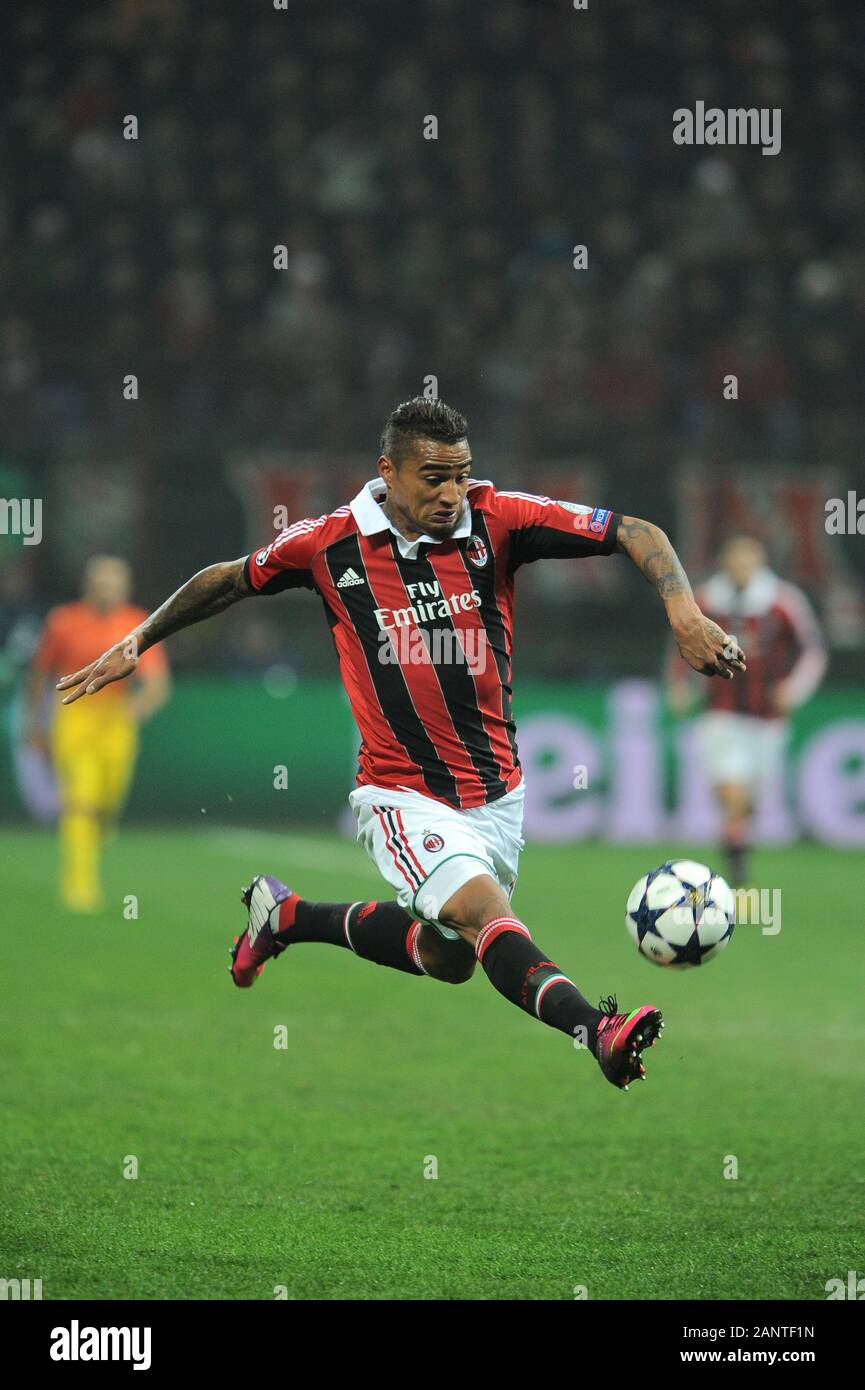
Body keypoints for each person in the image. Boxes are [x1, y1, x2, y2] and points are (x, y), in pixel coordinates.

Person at [54, 399, 746, 1089]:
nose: (450, 494)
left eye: (460, 475)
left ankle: (288, 917)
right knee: (484, 915)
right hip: (400, 792)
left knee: (450, 958)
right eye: (432, 478)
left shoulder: (498, 518)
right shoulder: (329, 544)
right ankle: (596, 1030)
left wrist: (682, 612)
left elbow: (632, 528)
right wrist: (137, 640)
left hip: (497, 794)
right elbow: (229, 580)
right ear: (388, 471)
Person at [668, 534, 826, 886]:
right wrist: (681, 685)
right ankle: (736, 868)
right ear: (725, 562)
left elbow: (812, 651)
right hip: (719, 714)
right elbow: (682, 641)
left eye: (748, 560)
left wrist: (793, 690)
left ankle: (736, 849)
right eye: (735, 560)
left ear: (760, 563)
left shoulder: (783, 602)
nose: (741, 567)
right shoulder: (707, 599)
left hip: (767, 720)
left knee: (748, 802)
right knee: (731, 790)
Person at [25, 555, 171, 912]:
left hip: (116, 719)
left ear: (126, 587)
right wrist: (34, 723)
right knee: (81, 799)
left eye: (114, 582)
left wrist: (138, 709)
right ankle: (79, 885)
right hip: (74, 716)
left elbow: (157, 683)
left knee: (108, 799)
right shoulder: (62, 621)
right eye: (101, 582)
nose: (107, 588)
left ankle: (101, 824)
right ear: (88, 585)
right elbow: (40, 675)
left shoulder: (137, 623)